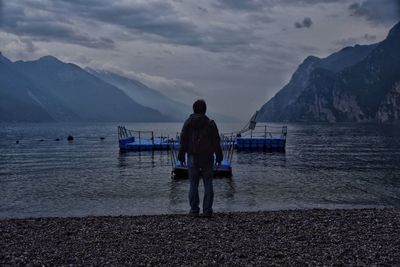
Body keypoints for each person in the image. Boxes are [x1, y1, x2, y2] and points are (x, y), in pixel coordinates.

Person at [178, 99, 223, 218]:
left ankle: (194, 210)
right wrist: (219, 157)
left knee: (193, 184)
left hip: (193, 156)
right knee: (208, 183)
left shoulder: (188, 123)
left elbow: (183, 141)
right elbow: (216, 142)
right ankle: (207, 210)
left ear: (193, 109)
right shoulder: (210, 124)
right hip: (208, 157)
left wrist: (181, 156)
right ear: (205, 109)